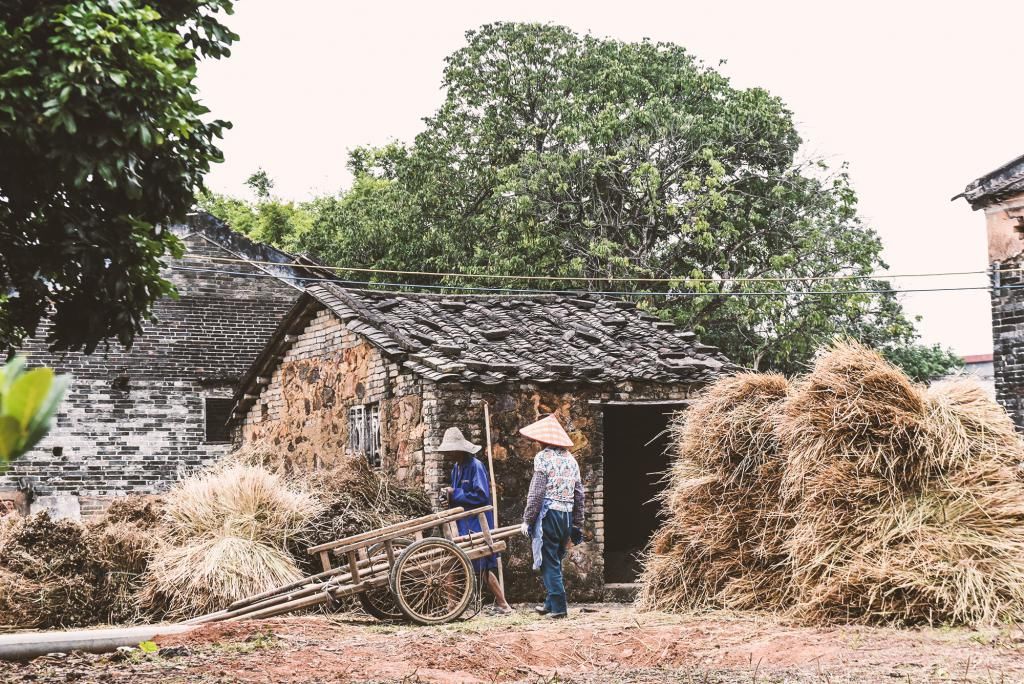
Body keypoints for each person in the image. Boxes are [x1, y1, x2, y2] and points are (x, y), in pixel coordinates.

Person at [437, 426, 513, 614]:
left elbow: (481, 496)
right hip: (462, 522)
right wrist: (448, 495)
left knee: (482, 564)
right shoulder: (456, 468)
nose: (448, 455)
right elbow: (456, 495)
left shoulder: (475, 466)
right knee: (455, 560)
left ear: (459, 449)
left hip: (476, 523)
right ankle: (452, 605)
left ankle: (502, 604)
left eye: (450, 451)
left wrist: (456, 493)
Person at [519, 415, 584, 619]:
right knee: (555, 559)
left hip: (549, 515)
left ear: (543, 440)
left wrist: (528, 519)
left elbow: (536, 493)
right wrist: (577, 523)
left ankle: (559, 608)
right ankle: (549, 603)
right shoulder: (571, 460)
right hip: (565, 516)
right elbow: (579, 494)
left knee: (548, 561)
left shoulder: (543, 458)